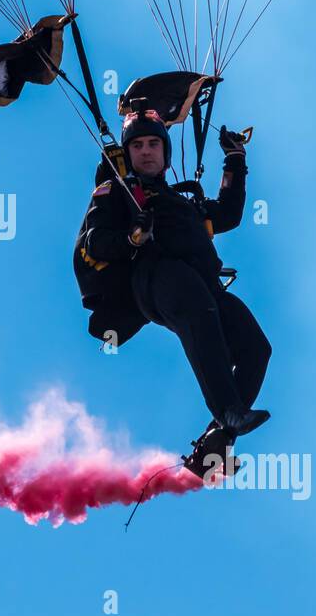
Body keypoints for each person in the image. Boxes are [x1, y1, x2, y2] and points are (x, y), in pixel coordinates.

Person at [74, 109, 272, 479]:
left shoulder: (184, 204)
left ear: (166, 152)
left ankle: (217, 441)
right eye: (137, 146)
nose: (146, 152)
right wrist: (132, 236)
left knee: (256, 347)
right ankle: (228, 409)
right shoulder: (117, 192)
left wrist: (235, 160)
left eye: (153, 144)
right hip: (155, 279)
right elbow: (94, 241)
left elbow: (228, 213)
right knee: (198, 307)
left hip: (202, 285)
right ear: (128, 153)